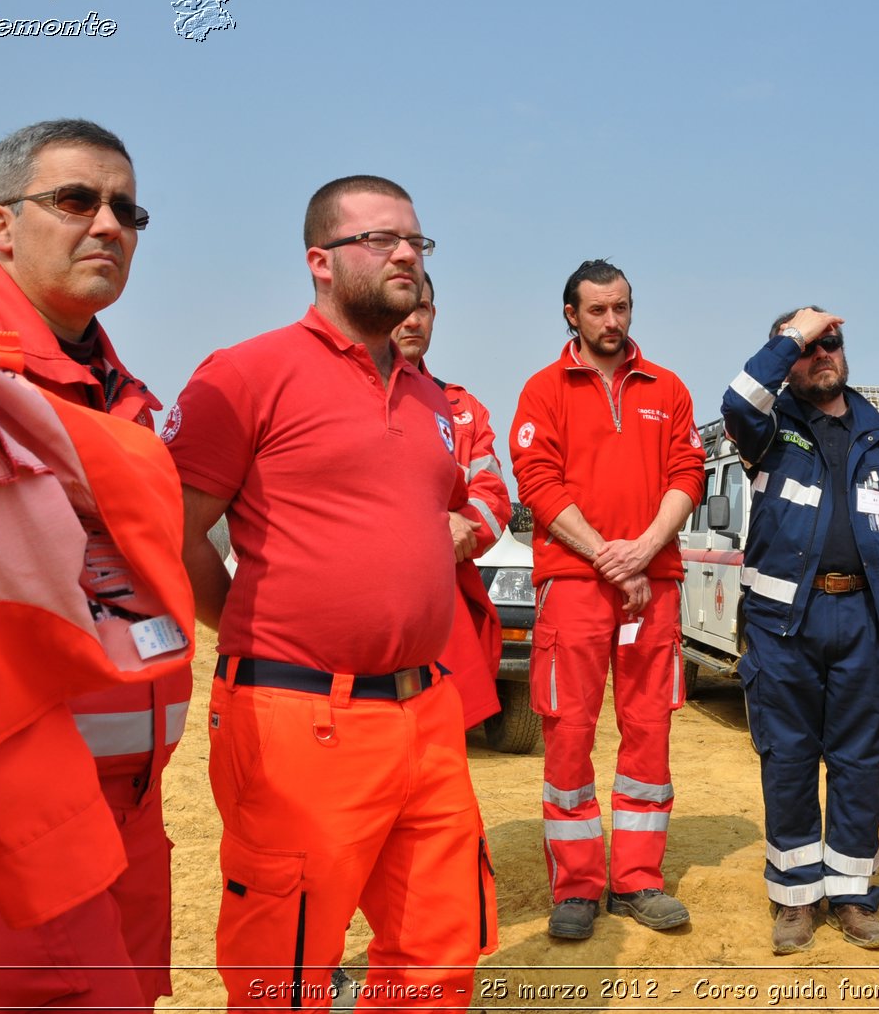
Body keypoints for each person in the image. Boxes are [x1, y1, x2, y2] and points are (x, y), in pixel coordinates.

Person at [167, 175, 493, 1009]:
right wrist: (245, 623)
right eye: (381, 239)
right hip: (298, 716)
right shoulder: (247, 372)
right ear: (320, 260)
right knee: (289, 966)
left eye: (417, 241)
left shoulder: (433, 400)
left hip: (426, 713)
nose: (407, 255)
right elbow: (170, 532)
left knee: (439, 949)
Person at [0, 119, 187, 1009]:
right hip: (12, 810)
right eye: (76, 200)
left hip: (136, 801)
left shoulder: (130, 395)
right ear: (1, 225)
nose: (108, 224)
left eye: (127, 208)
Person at [721, 306, 879, 954]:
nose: (822, 355)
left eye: (831, 343)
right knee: (788, 760)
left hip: (865, 624)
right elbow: (737, 397)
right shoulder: (767, 429)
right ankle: (796, 899)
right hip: (784, 624)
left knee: (857, 765)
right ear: (786, 359)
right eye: (805, 348)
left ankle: (851, 894)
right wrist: (790, 335)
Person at [508, 259, 705, 940]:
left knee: (649, 728)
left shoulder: (668, 388)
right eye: (598, 310)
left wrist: (642, 549)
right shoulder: (542, 391)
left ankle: (639, 879)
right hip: (572, 585)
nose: (613, 321)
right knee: (567, 731)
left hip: (655, 582)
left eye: (621, 307)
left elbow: (688, 472)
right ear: (572, 313)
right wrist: (607, 555)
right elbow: (537, 482)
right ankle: (578, 885)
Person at [391, 273, 513, 729]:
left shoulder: (462, 410)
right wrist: (429, 526)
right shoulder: (342, 395)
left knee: (437, 745)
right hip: (366, 611)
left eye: (421, 309)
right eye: (401, 310)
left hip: (441, 607)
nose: (412, 320)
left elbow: (494, 498)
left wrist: (462, 527)